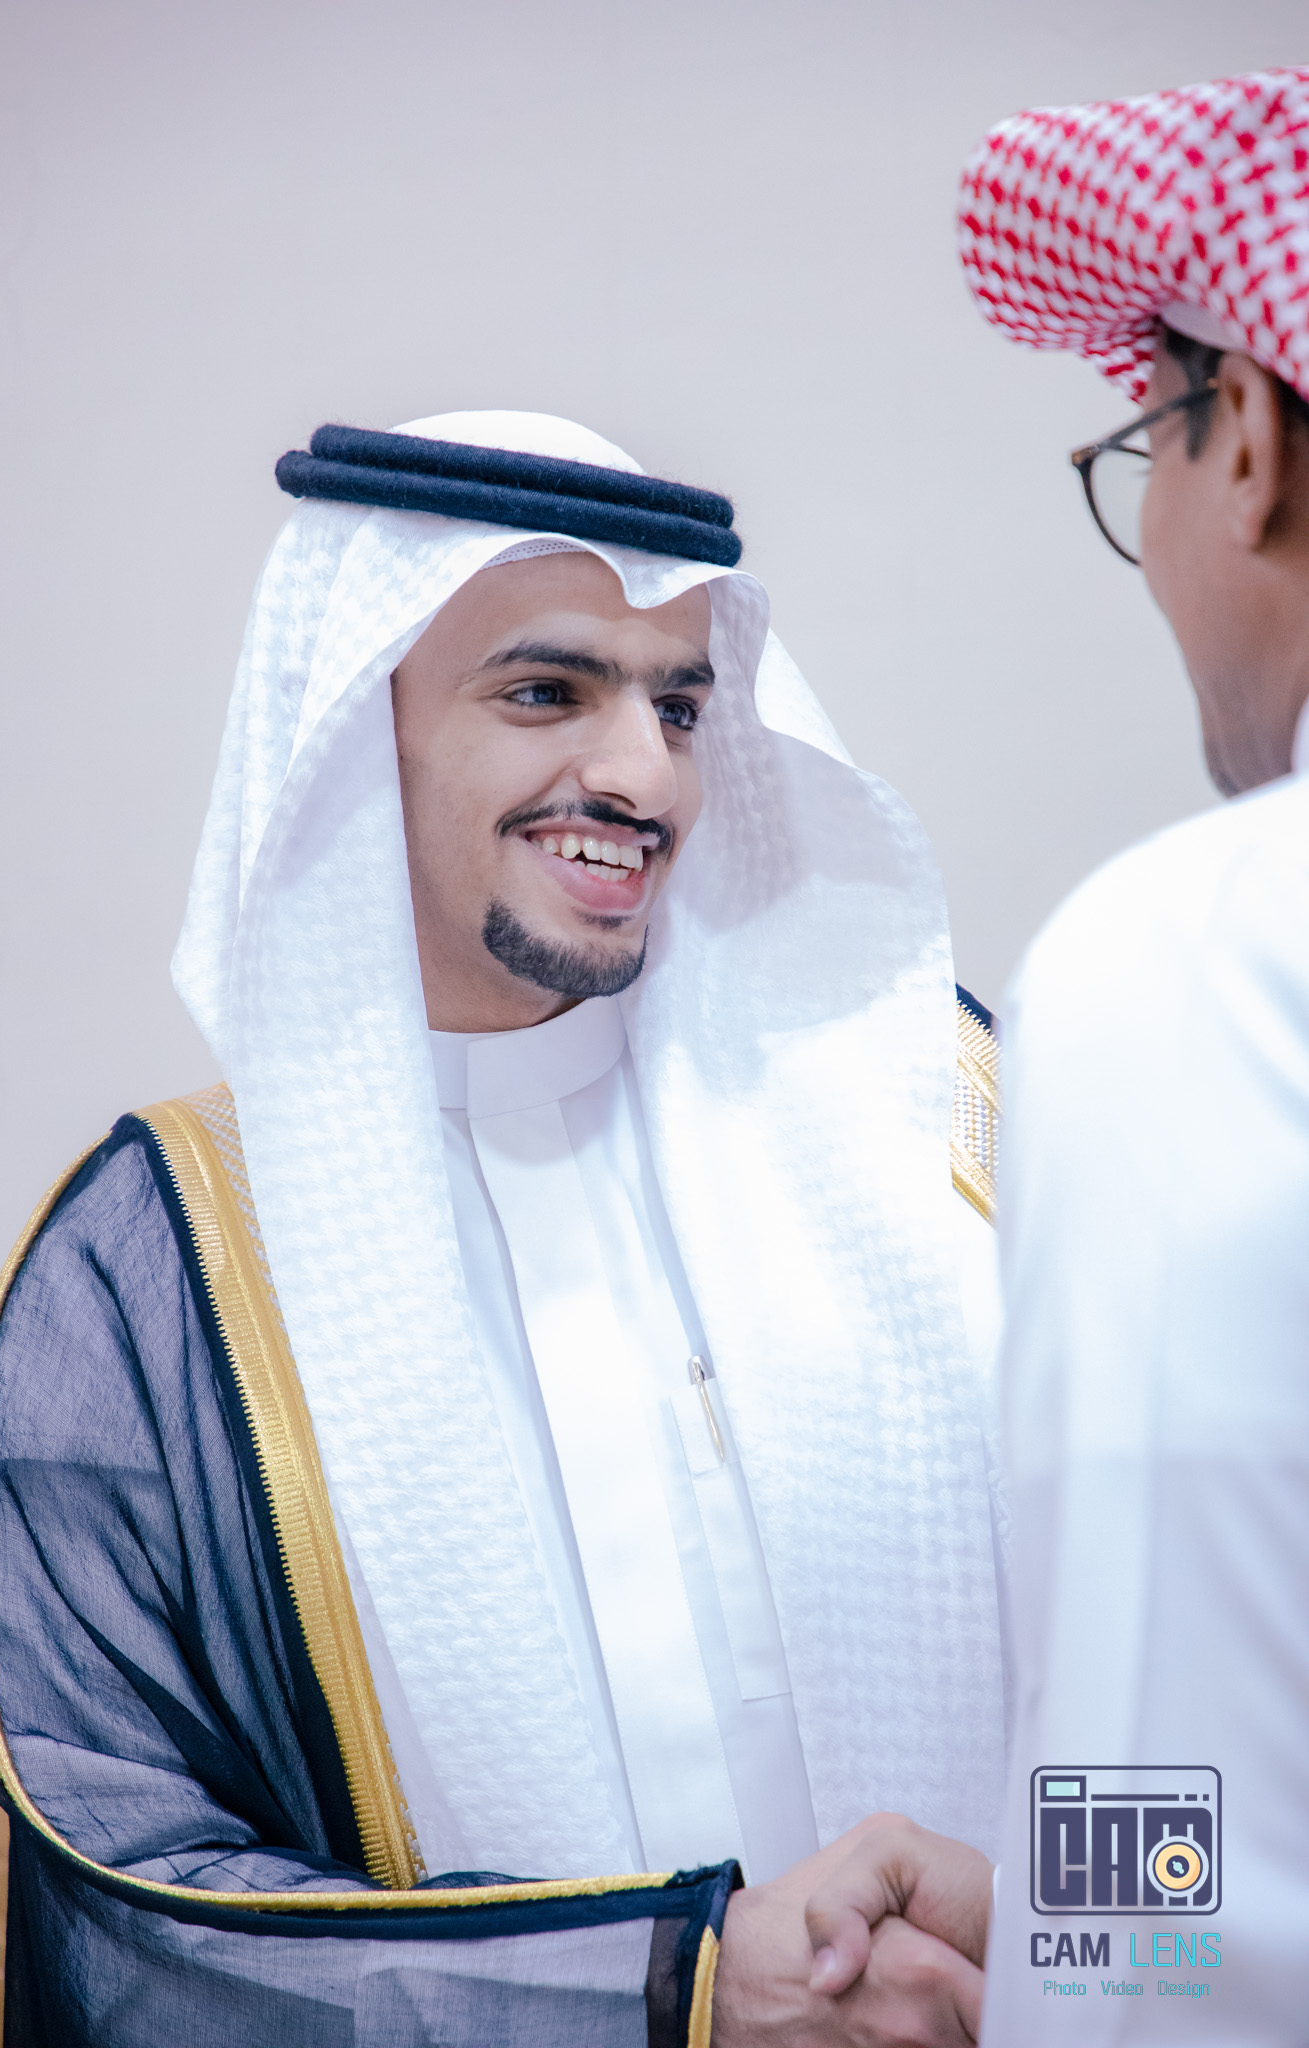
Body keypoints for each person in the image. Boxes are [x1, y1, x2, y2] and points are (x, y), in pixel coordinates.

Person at [0, 410, 1010, 2045]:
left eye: (676, 706)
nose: (641, 775)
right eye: (544, 693)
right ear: (350, 731)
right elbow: (126, 1897)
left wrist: (1089, 1945)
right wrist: (679, 2000)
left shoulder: (933, 1134)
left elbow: (1199, 1647)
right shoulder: (151, 1276)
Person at [800, 62, 1309, 2044]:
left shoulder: (1196, 956)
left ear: (1242, 439)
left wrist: (1062, 1947)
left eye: (1142, 453)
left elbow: (1161, 1742)